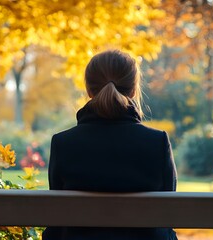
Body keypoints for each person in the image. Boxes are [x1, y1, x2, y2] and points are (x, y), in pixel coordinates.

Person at [42, 50, 177, 240]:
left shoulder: (63, 144)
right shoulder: (157, 142)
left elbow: (56, 219)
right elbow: (168, 212)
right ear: (133, 90)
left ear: (89, 90)